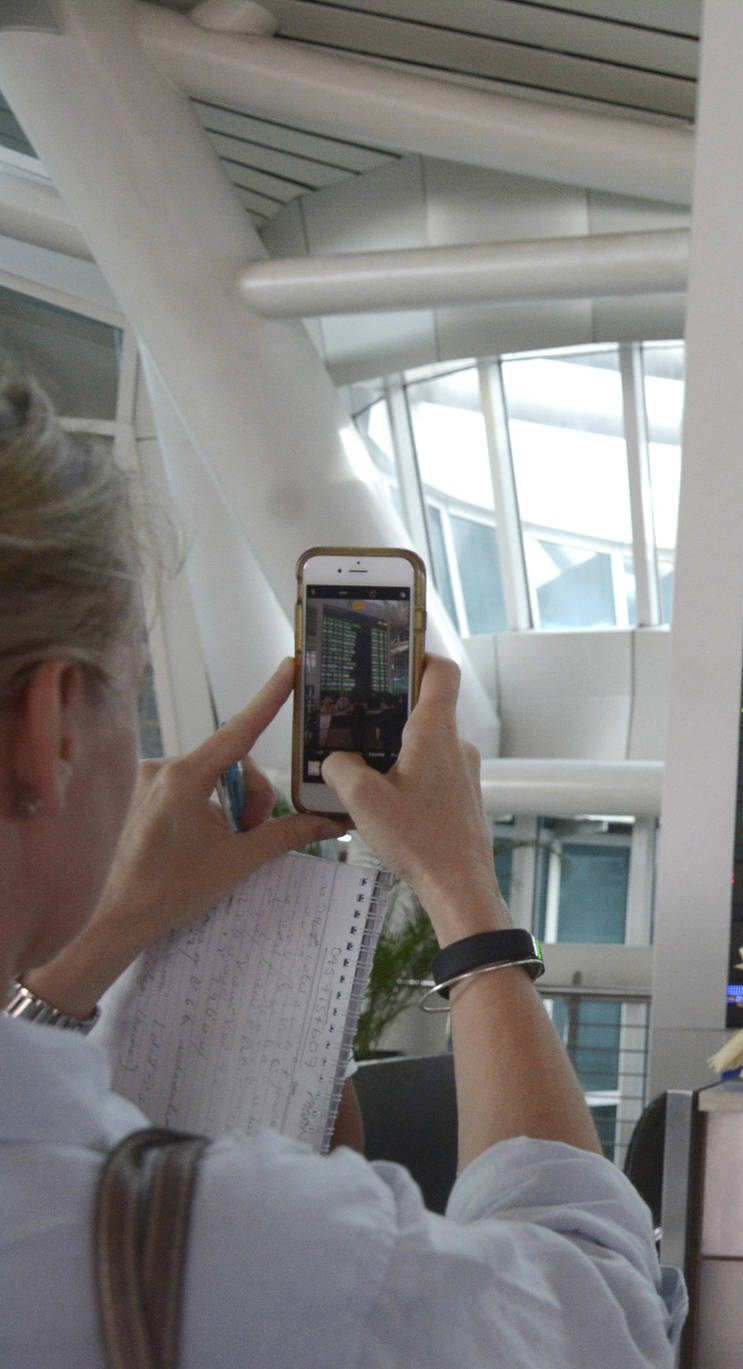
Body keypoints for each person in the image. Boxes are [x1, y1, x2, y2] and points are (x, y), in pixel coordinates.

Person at [0, 371, 681, 1366]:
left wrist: (101, 941)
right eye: (133, 700)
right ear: (53, 725)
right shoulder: (238, 1253)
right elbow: (603, 1309)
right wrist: (464, 896)